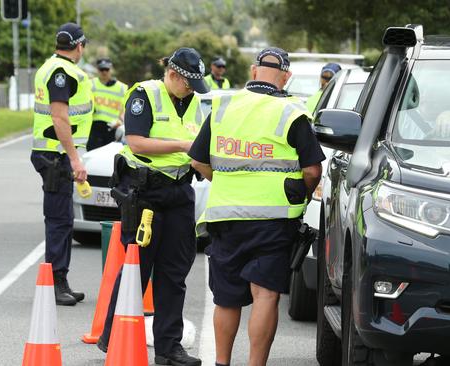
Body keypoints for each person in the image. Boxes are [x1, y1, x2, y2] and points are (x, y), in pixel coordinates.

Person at [189, 47, 324, 366]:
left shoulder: (223, 106)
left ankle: (221, 362)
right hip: (273, 220)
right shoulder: (293, 112)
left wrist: (225, 183)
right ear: (286, 77)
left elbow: (197, 160)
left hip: (225, 218)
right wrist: (301, 196)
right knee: (266, 295)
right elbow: (313, 170)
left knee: (225, 299)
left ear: (253, 72)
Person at [96, 47, 208, 366]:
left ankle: (168, 348)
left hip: (179, 192)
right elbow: (136, 141)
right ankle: (114, 336)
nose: (191, 91)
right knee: (137, 267)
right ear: (172, 74)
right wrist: (183, 145)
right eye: (188, 83)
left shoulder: (195, 102)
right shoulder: (144, 94)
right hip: (145, 193)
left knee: (174, 273)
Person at [30, 23, 92, 306]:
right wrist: (75, 158)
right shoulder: (61, 73)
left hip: (54, 154)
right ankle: (55, 282)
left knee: (63, 220)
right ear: (79, 46)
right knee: (59, 221)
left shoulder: (50, 67)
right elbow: (59, 117)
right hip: (55, 155)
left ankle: (60, 279)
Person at [87, 57, 128, 151]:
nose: (104, 72)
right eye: (102, 69)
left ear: (111, 69)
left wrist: (121, 122)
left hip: (112, 128)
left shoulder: (122, 88)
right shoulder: (90, 84)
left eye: (106, 69)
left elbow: (125, 109)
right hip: (94, 127)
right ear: (97, 70)